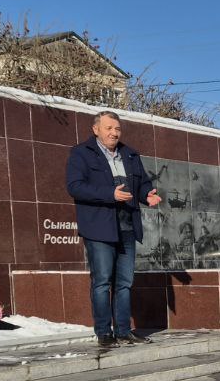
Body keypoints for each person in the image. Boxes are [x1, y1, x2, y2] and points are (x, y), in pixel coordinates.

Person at [65, 111, 162, 347]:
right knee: (102, 282)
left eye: (117, 128)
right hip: (99, 227)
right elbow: (75, 187)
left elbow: (142, 183)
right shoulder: (81, 154)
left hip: (127, 227)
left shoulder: (129, 154)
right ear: (96, 129)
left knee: (125, 282)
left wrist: (146, 195)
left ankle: (123, 330)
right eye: (108, 128)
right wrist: (110, 194)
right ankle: (104, 332)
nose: (114, 133)